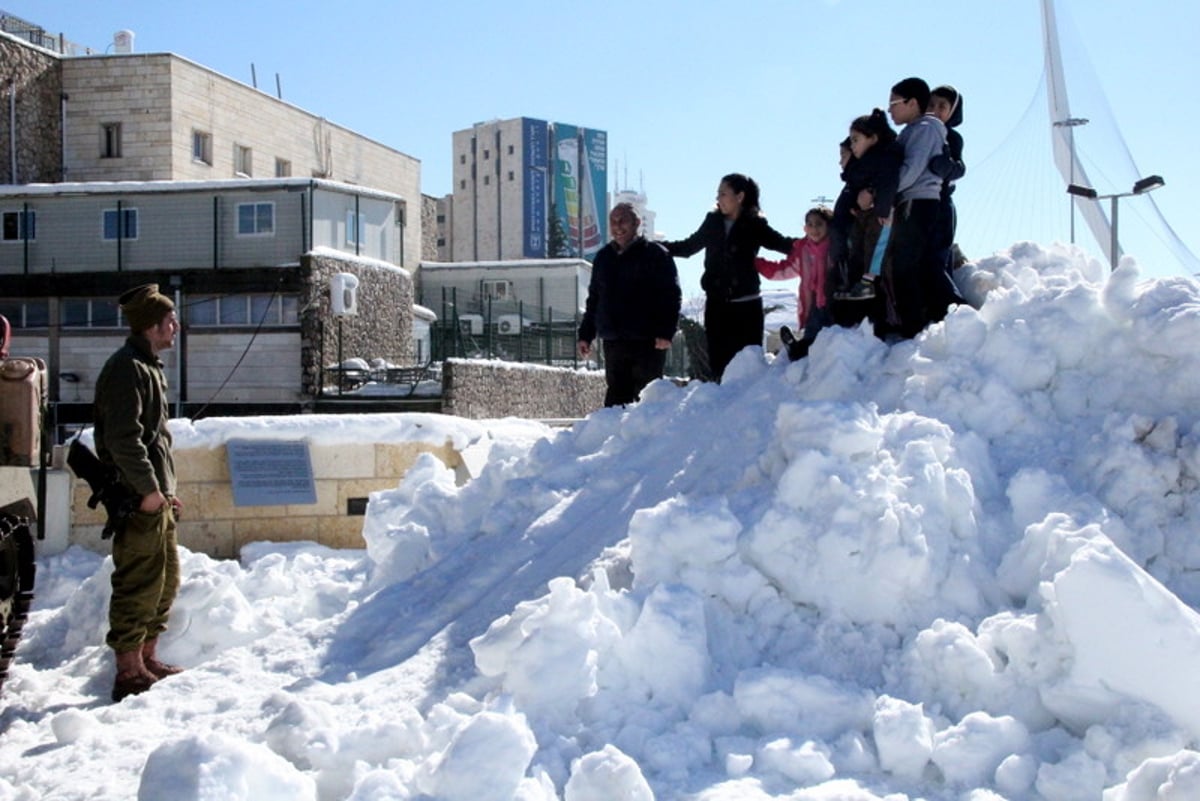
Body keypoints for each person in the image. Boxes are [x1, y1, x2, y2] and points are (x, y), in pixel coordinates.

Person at [94, 283, 184, 702]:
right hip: (138, 500)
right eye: (169, 321)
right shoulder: (127, 368)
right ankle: (128, 671)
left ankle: (147, 658)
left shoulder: (146, 365)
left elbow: (155, 441)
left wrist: (166, 490)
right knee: (137, 583)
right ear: (150, 327)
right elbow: (124, 439)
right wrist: (149, 491)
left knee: (163, 582)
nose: (176, 327)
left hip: (155, 498)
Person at [664, 174, 793, 381]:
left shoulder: (754, 225)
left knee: (748, 367)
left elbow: (783, 244)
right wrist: (657, 246)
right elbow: (688, 247)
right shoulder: (712, 222)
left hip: (747, 307)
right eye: (718, 194)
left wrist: (816, 242)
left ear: (740, 196)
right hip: (717, 306)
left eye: (723, 193)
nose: (718, 198)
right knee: (719, 367)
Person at [578, 203, 682, 407]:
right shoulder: (603, 258)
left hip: (648, 342)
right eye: (613, 221)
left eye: (622, 220)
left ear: (637, 223)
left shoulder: (656, 255)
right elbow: (594, 300)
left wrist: (666, 331)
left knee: (647, 403)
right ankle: (614, 438)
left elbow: (671, 296)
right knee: (616, 401)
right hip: (614, 341)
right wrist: (585, 334)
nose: (617, 226)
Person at [885, 77, 963, 338]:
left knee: (925, 264)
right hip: (919, 202)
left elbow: (912, 169)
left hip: (926, 204)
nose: (890, 110)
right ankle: (935, 320)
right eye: (933, 103)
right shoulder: (914, 130)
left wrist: (883, 194)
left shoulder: (928, 130)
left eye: (893, 103)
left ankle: (955, 317)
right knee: (917, 265)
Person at [833, 109, 902, 303]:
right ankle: (859, 281)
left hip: (884, 212)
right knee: (861, 245)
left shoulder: (884, 157)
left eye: (856, 139)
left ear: (872, 138)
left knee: (877, 243)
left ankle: (868, 281)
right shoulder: (866, 161)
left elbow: (888, 182)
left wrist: (882, 207)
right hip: (868, 212)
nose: (852, 145)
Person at [755, 206, 833, 360]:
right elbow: (783, 270)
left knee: (831, 335)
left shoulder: (835, 246)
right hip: (812, 304)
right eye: (809, 225)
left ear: (828, 226)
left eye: (819, 224)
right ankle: (799, 351)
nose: (814, 229)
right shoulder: (803, 251)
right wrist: (757, 264)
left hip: (834, 301)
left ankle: (802, 350)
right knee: (813, 329)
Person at [927, 84, 967, 281]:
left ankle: (949, 303)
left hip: (941, 203)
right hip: (917, 203)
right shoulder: (918, 133)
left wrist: (942, 166)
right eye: (930, 104)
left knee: (938, 256)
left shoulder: (952, 137)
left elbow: (959, 168)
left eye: (941, 106)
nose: (934, 111)